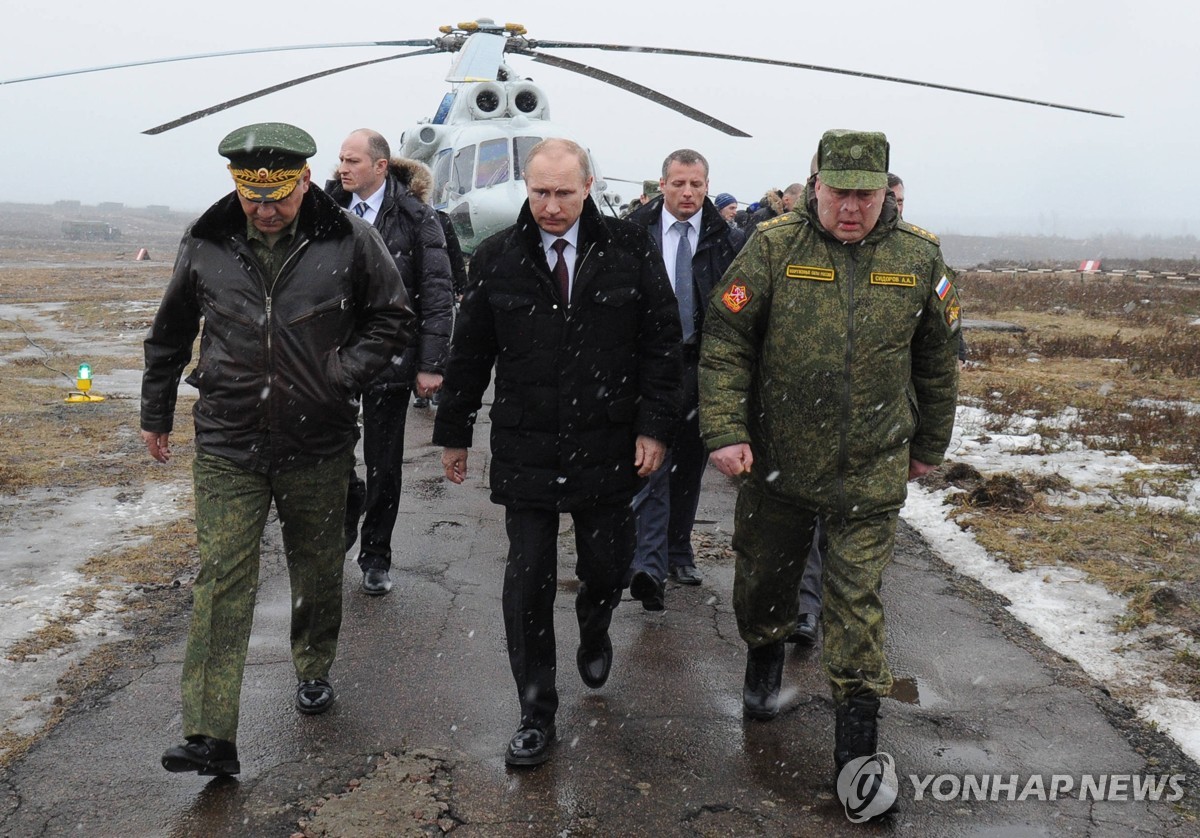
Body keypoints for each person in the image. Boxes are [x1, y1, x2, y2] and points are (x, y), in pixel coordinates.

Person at [142, 122, 414, 777]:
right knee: (223, 580)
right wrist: (156, 412)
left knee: (316, 570)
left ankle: (314, 663)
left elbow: (392, 317)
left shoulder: (350, 240)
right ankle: (210, 733)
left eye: (279, 197)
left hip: (317, 441)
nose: (265, 210)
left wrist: (340, 374)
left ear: (305, 181)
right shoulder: (207, 242)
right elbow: (171, 330)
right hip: (228, 441)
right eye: (252, 197)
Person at [699, 129, 960, 785]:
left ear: (884, 192)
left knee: (856, 607)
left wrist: (927, 444)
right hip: (779, 464)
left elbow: (937, 361)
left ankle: (857, 748)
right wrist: (726, 429)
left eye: (865, 195)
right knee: (765, 583)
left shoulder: (919, 257)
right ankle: (764, 651)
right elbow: (727, 337)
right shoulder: (772, 247)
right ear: (815, 185)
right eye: (839, 192)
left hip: (870, 471)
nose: (851, 207)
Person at [433, 138, 682, 767]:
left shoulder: (628, 250)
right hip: (528, 445)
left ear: (589, 185)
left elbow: (661, 344)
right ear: (527, 186)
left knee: (607, 566)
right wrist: (455, 432)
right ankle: (535, 711)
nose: (550, 205)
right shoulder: (498, 257)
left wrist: (654, 427)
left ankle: (596, 624)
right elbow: (470, 355)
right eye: (539, 192)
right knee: (528, 579)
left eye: (563, 193)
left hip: (608, 442)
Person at [328, 129, 454, 595]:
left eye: (354, 160)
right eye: (341, 159)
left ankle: (376, 555)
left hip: (390, 357)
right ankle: (345, 510)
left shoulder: (418, 219)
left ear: (381, 166)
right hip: (332, 359)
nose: (343, 168)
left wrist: (432, 362)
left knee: (385, 462)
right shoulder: (326, 214)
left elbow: (438, 295)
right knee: (333, 453)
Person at [624, 150, 745, 611]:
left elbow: (740, 300)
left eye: (696, 184)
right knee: (650, 457)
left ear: (707, 185)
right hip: (648, 362)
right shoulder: (635, 232)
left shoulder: (726, 239)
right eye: (678, 184)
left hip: (702, 363)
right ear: (663, 185)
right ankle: (647, 561)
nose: (688, 192)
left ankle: (678, 551)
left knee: (690, 463)